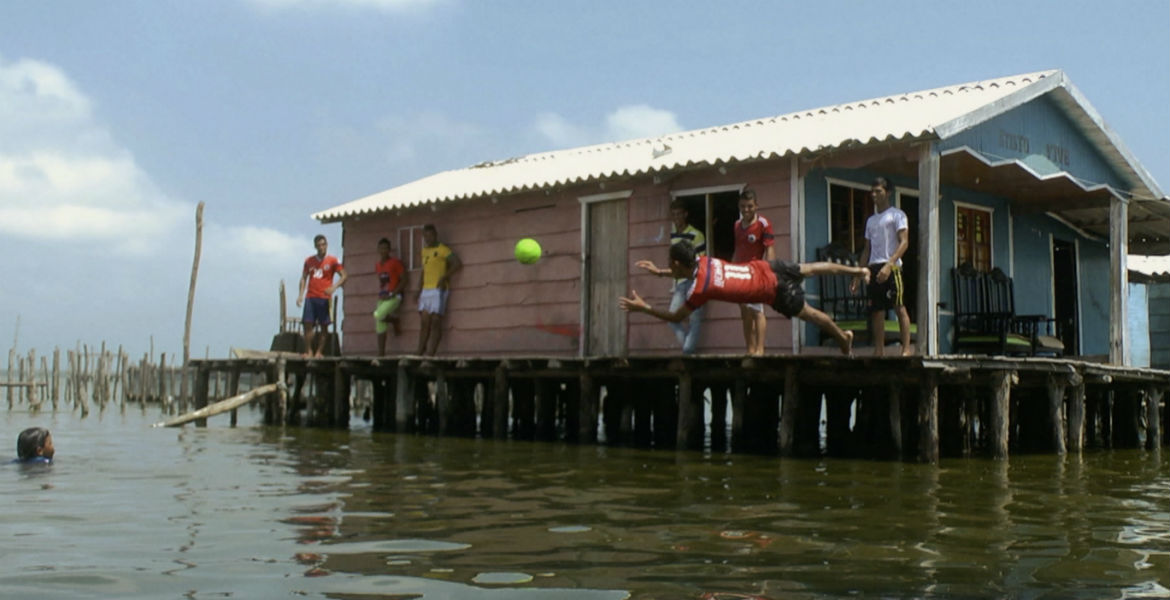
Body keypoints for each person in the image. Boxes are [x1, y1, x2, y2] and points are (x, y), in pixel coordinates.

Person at [622, 241, 869, 356]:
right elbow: (684, 271)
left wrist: (644, 308)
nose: (669, 268)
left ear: (677, 263)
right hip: (769, 267)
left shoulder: (700, 289)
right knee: (813, 267)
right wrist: (661, 273)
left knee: (813, 316)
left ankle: (843, 338)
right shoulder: (703, 260)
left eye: (669, 266)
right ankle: (858, 270)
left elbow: (676, 316)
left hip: (774, 290)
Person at [853, 177, 913, 356]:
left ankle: (906, 349)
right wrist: (857, 274)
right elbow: (866, 249)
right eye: (872, 191)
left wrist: (889, 264)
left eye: (878, 191)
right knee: (876, 310)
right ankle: (879, 350)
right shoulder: (871, 221)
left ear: (888, 193)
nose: (874, 195)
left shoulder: (897, 215)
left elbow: (904, 243)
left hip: (892, 267)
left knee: (898, 306)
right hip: (874, 267)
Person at [639, 199, 707, 354]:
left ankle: (687, 352)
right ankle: (688, 351)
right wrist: (663, 272)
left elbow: (698, 264)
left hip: (695, 281)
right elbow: (677, 265)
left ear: (685, 214)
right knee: (672, 318)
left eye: (679, 214)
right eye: (674, 215)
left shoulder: (696, 235)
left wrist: (661, 272)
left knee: (694, 319)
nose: (676, 218)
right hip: (680, 283)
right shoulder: (674, 235)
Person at [733, 188, 775, 356]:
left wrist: (769, 270)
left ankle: (760, 350)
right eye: (743, 206)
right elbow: (737, 249)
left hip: (756, 272)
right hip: (740, 273)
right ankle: (750, 349)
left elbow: (770, 249)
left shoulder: (763, 224)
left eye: (750, 206)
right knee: (745, 312)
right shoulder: (737, 225)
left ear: (756, 206)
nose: (746, 210)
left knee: (757, 310)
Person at [297, 234, 348, 358]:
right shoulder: (309, 261)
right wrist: (300, 295)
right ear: (315, 246)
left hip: (324, 298)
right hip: (311, 296)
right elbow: (304, 278)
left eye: (323, 244)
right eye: (319, 245)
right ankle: (308, 350)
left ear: (326, 245)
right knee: (308, 324)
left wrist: (334, 287)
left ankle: (319, 352)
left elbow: (344, 275)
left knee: (324, 326)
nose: (321, 247)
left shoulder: (332, 261)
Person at [416, 224, 461, 356]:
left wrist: (444, 277)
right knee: (424, 322)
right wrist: (418, 289)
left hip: (438, 290)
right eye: (425, 236)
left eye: (430, 235)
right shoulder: (424, 251)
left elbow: (457, 263)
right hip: (426, 290)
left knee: (436, 321)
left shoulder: (443, 250)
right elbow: (424, 271)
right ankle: (420, 350)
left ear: (435, 234)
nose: (428, 238)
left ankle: (431, 353)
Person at [373, 237, 407, 356]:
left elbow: (404, 280)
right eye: (381, 248)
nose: (384, 251)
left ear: (389, 250)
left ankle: (394, 320)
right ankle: (381, 353)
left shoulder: (395, 263)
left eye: (386, 248)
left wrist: (393, 293)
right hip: (383, 298)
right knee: (380, 324)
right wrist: (383, 295)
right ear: (378, 250)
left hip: (395, 297)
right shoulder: (378, 265)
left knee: (377, 315)